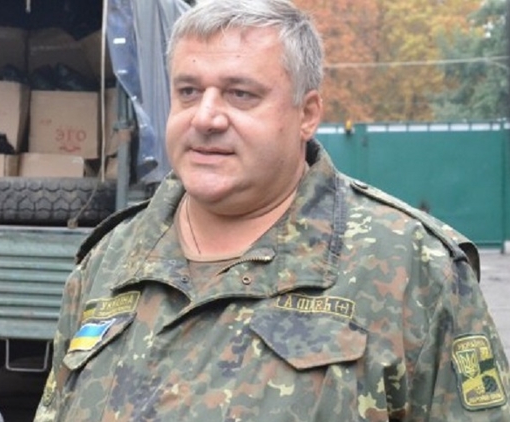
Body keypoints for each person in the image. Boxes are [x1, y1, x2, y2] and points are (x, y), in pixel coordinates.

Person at [33, 0, 510, 420]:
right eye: (188, 92)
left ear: (307, 114)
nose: (206, 117)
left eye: (241, 94)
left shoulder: (414, 269)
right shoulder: (108, 261)